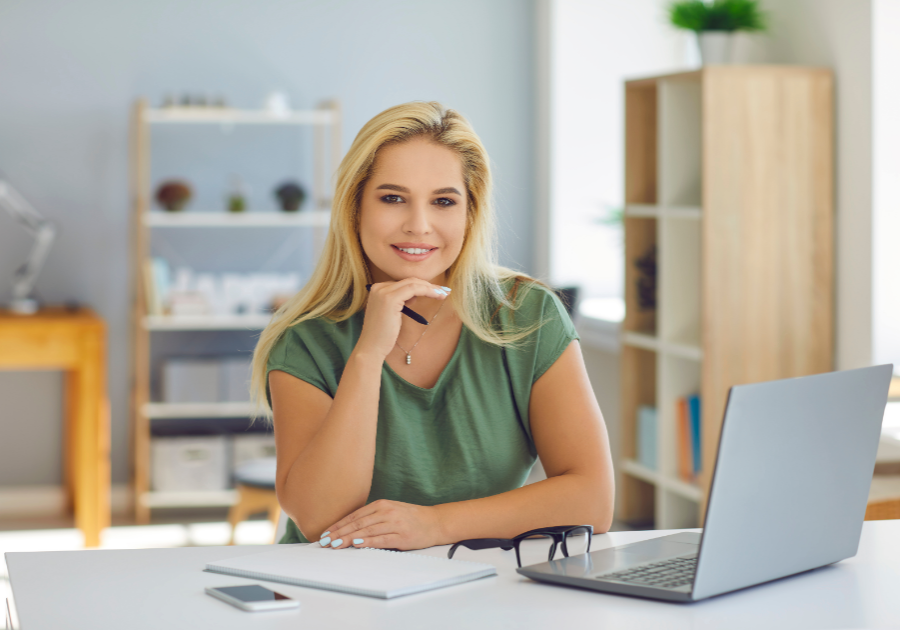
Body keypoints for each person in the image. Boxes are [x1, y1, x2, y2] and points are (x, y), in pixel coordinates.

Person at [250, 101, 614, 550]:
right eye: (392, 198)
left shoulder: (526, 313)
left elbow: (593, 499)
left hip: (481, 580)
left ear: (469, 212)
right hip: (335, 589)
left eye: (444, 201)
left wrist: (437, 525)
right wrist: (367, 355)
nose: (419, 226)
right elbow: (319, 519)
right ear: (356, 208)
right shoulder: (306, 337)